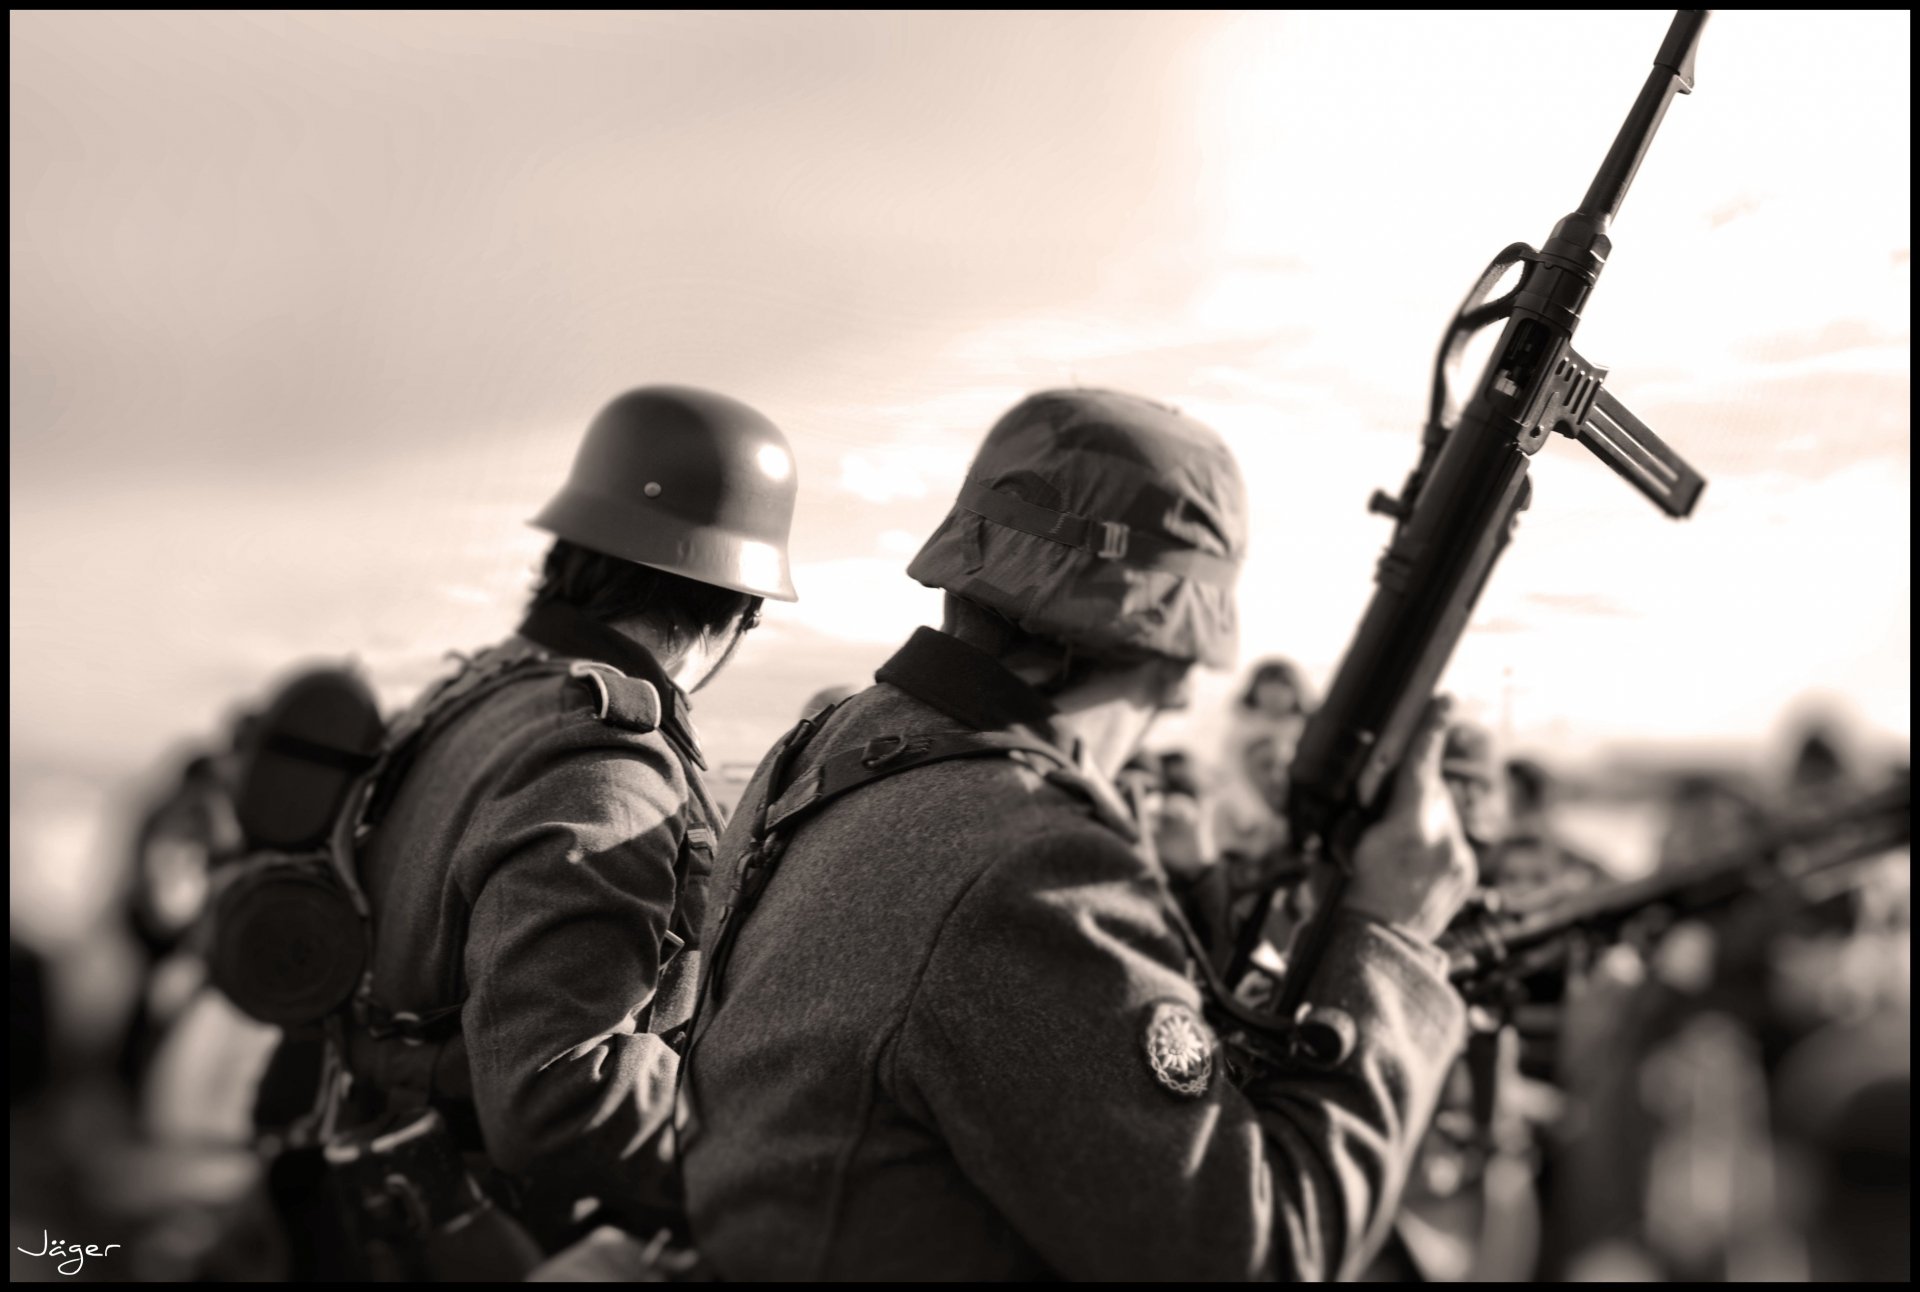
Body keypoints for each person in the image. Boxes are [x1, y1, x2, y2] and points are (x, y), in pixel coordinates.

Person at [678, 388, 1474, 1280]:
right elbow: (1251, 1257)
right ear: (1173, 663)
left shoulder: (827, 750)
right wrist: (1392, 940)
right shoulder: (1031, 862)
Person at [310, 386, 800, 1258]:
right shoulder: (600, 763)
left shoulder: (483, 694)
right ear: (739, 608)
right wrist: (785, 1157)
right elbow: (559, 1098)